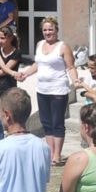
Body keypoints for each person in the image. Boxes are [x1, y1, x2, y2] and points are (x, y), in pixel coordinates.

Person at [32, 15, 77, 165]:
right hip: (42, 89)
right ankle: (50, 153)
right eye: (45, 30)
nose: (47, 32)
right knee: (46, 122)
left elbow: (71, 67)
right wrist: (25, 73)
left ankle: (57, 155)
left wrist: (75, 80)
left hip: (58, 90)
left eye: (50, 29)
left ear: (56, 30)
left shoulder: (63, 47)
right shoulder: (39, 44)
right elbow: (37, 64)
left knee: (57, 122)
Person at [0, 29, 24, 142]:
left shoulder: (16, 53)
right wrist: (13, 73)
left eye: (3, 38)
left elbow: (4, 70)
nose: (0, 41)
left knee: (11, 120)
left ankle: (11, 143)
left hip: (10, 91)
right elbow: (3, 67)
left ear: (10, 38)